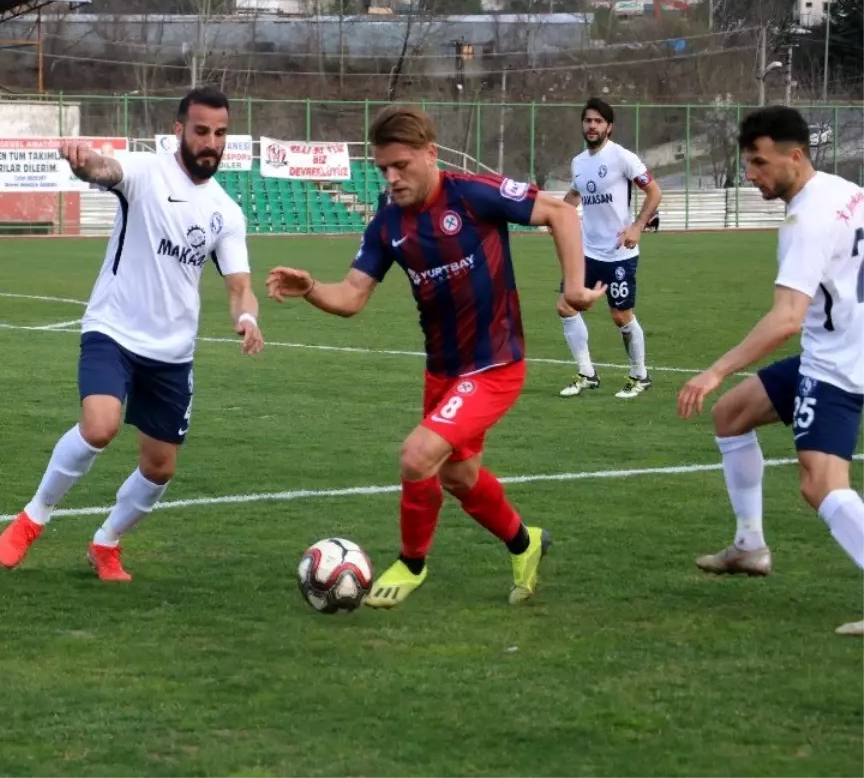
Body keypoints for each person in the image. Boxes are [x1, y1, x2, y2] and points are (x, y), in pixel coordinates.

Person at [266, 105, 604, 608]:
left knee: (416, 456)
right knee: (458, 477)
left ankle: (412, 562)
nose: (391, 177)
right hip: (443, 372)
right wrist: (313, 287)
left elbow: (561, 212)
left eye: (401, 165)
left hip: (494, 365)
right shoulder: (387, 225)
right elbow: (352, 297)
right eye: (383, 168)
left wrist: (574, 287)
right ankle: (524, 543)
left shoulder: (472, 195)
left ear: (431, 153)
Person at [0, 86, 264, 581]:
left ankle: (106, 543)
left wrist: (247, 317)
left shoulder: (227, 212)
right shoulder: (146, 172)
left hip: (172, 354)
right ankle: (34, 516)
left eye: (220, 133)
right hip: (113, 329)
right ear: (179, 130)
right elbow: (106, 169)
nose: (211, 142)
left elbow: (240, 285)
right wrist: (83, 164)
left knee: (160, 468)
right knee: (100, 425)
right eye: (201, 131)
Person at [677, 106, 864, 637]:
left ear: (795, 155)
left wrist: (715, 368)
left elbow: (786, 318)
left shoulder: (807, 220)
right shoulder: (845, 189)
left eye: (759, 163)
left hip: (837, 366)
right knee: (731, 415)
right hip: (841, 345)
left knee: (820, 483)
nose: (751, 174)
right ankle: (749, 546)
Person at [557, 98, 663, 400]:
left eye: (598, 121)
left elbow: (654, 192)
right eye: (588, 120)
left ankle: (639, 376)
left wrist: (637, 227)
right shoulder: (579, 162)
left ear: (609, 127)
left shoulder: (623, 158)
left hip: (619, 252)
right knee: (566, 306)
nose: (592, 126)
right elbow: (576, 194)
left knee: (620, 315)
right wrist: (557, 216)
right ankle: (587, 374)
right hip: (587, 252)